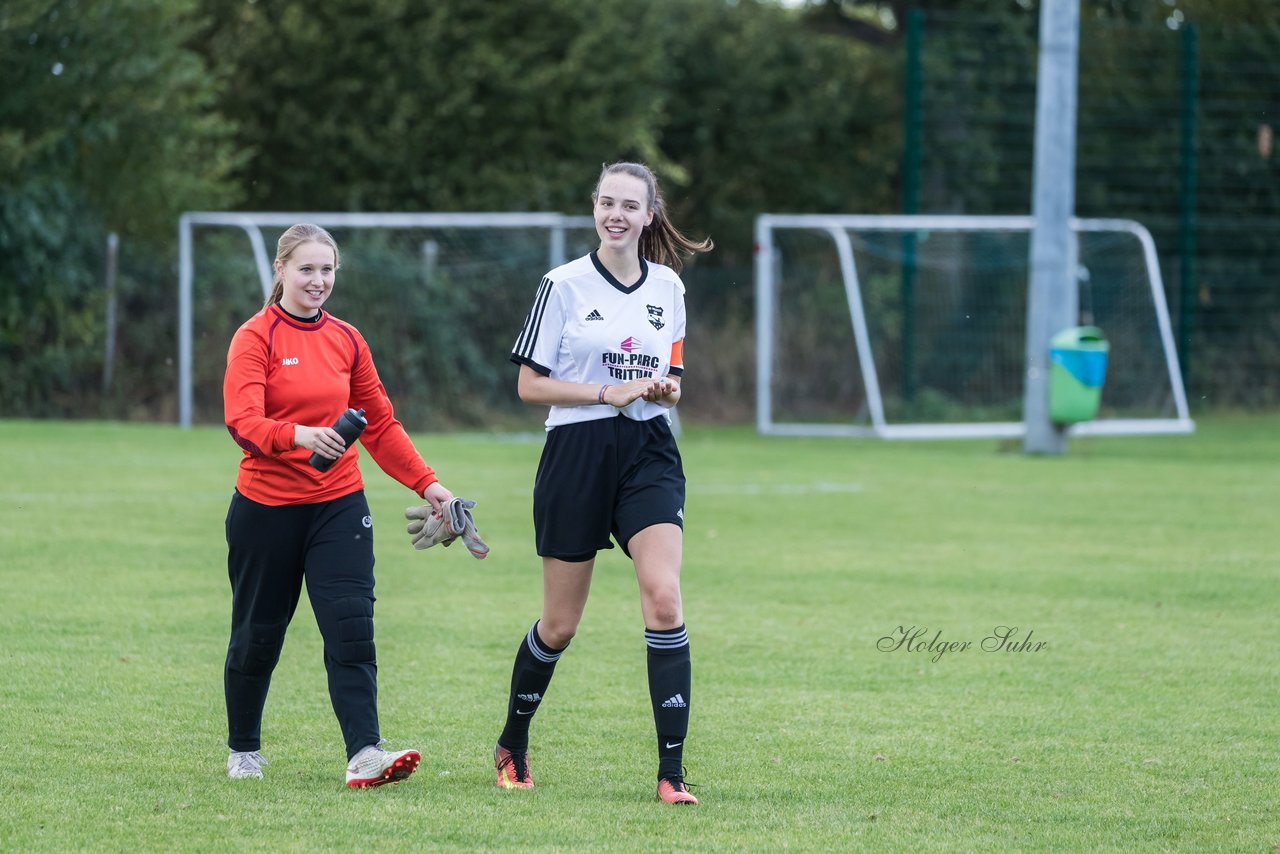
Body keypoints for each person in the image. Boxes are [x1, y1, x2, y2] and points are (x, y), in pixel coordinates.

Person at [496, 161, 712, 805]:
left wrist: (665, 389)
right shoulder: (561, 285)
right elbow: (529, 385)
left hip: (649, 450)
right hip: (576, 453)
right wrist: (605, 392)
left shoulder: (668, 287)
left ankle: (671, 774)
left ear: (650, 215)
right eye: (606, 203)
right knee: (560, 625)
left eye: (629, 206)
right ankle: (513, 742)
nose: (616, 215)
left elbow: (671, 375)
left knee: (664, 599)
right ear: (595, 209)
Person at [222, 223, 455, 787]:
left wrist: (431, 486)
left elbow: (381, 426)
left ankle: (364, 755)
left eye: (327, 270)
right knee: (258, 633)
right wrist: (300, 436)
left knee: (352, 629)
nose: (318, 280)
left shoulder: (347, 339)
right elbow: (242, 422)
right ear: (280, 270)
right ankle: (244, 750)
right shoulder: (256, 337)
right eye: (307, 269)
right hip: (266, 509)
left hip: (339, 506)